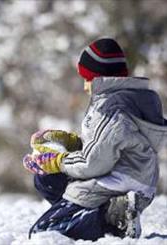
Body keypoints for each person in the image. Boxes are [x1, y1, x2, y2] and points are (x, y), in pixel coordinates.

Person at [23, 38, 167, 240]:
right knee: (46, 179)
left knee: (45, 232)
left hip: (118, 181)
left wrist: (58, 161)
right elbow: (106, 146)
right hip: (128, 175)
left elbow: (94, 163)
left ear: (99, 78)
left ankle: (112, 217)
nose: (85, 87)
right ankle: (95, 212)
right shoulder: (125, 98)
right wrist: (72, 143)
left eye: (87, 79)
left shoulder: (112, 109)